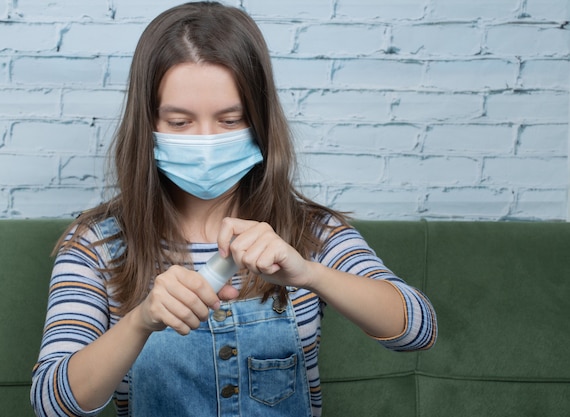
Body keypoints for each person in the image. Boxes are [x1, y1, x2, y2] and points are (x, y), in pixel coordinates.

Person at [30, 2, 437, 416]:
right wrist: (141, 321)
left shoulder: (309, 232)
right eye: (179, 123)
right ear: (148, 125)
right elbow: (51, 403)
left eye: (229, 121)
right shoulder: (99, 244)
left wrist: (309, 274)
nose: (206, 141)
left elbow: (418, 329)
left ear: (258, 122)